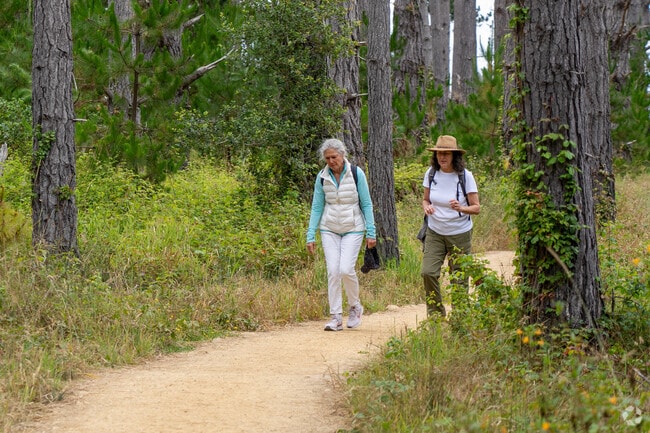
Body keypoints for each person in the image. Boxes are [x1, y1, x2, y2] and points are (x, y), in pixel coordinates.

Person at [306, 138, 377, 331]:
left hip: (353, 227)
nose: (331, 161)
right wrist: (310, 234)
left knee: (345, 269)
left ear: (342, 155)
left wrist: (371, 232)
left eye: (334, 157)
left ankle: (355, 306)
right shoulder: (322, 177)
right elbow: (317, 206)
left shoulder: (356, 173)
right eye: (327, 158)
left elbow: (366, 203)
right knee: (333, 271)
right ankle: (335, 316)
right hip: (329, 228)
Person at [421, 135, 480, 318]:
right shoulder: (431, 173)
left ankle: (460, 318)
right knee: (428, 272)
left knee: (459, 278)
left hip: (459, 233)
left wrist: (461, 207)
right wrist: (427, 207)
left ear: (455, 156)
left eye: (446, 153)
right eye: (439, 153)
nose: (442, 157)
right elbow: (425, 199)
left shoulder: (465, 176)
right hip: (435, 231)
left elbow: (476, 207)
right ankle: (436, 315)